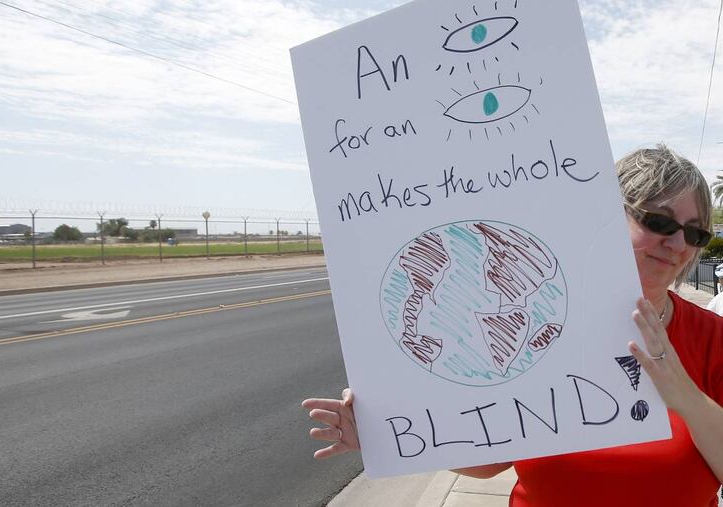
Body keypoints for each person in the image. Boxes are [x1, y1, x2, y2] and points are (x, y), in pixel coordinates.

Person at [302, 145, 723, 506]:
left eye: (696, 233)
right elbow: (489, 461)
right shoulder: (541, 325)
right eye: (660, 222)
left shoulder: (712, 338)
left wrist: (682, 393)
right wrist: (384, 437)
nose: (679, 244)